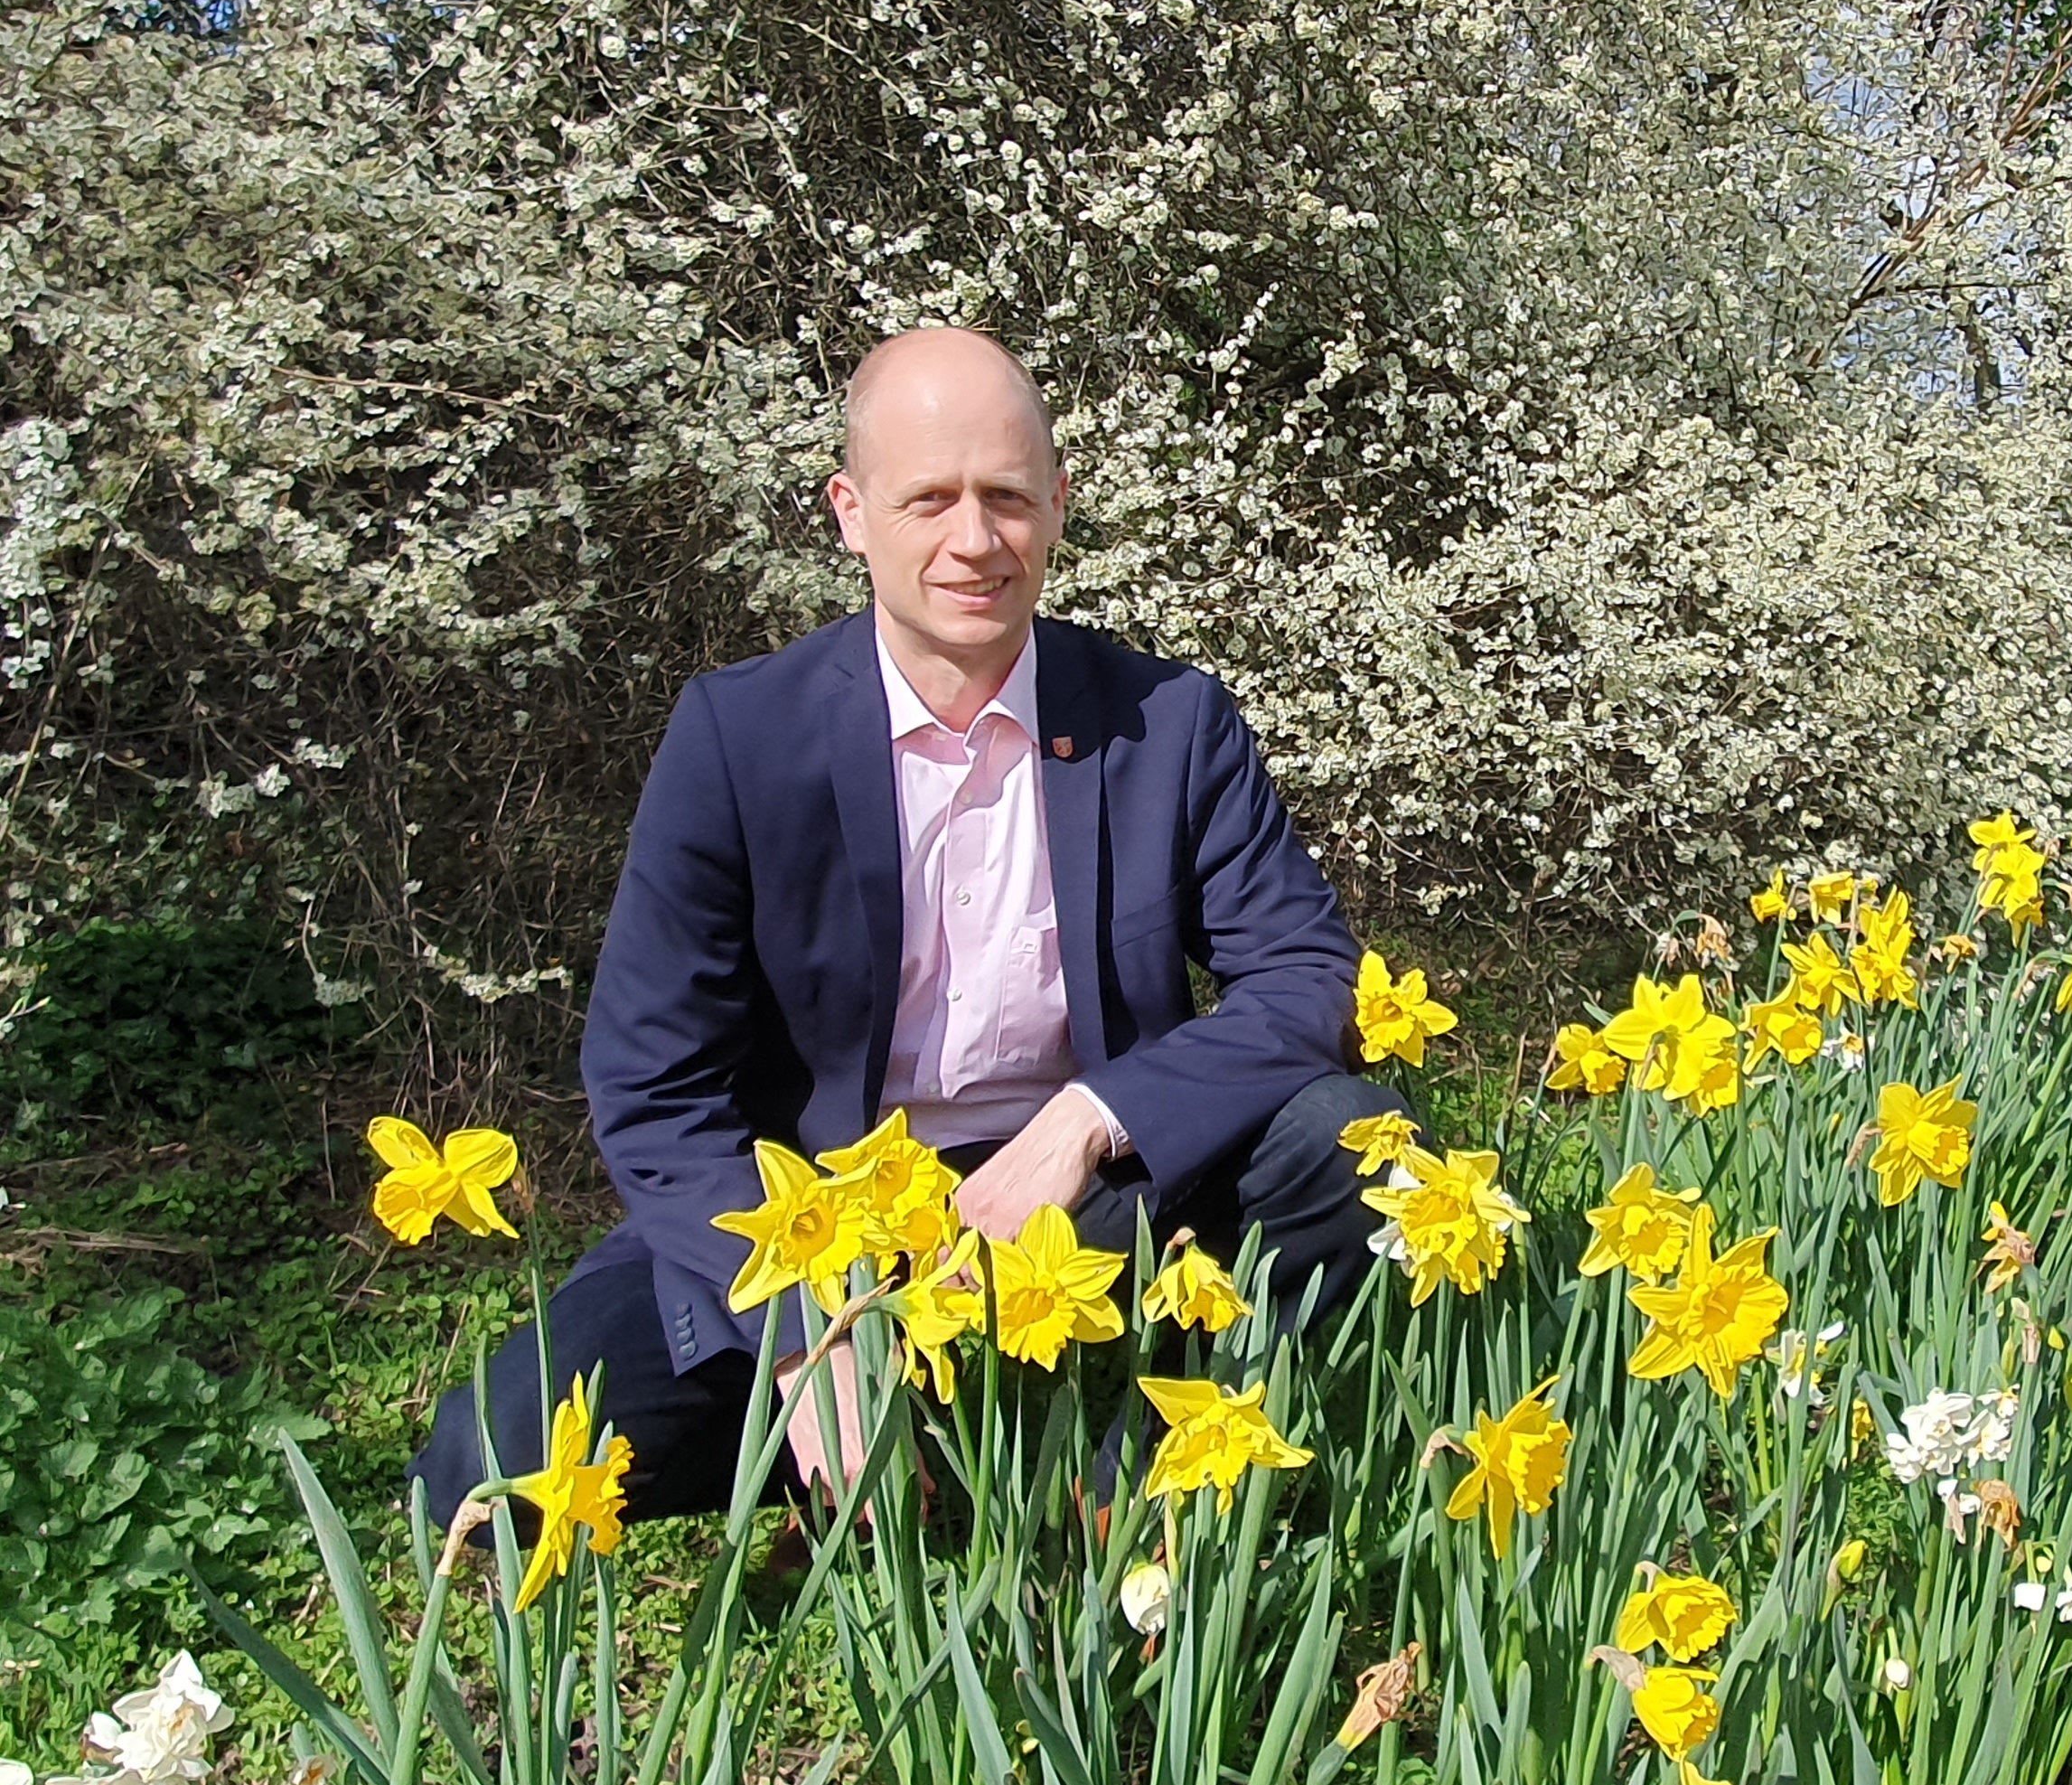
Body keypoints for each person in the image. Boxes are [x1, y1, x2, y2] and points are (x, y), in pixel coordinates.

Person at [413, 328, 1381, 1520]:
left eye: (1008, 498)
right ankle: (906, 1442)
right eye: (930, 499)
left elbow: (1307, 979)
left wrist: (1096, 1115)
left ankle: (1125, 1488)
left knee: (1348, 1140)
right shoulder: (741, 740)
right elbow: (651, 1084)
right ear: (851, 512)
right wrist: (798, 1325)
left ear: (1059, 507)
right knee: (488, 1465)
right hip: (828, 1229)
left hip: (1087, 1211)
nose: (974, 541)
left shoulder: (1168, 725)